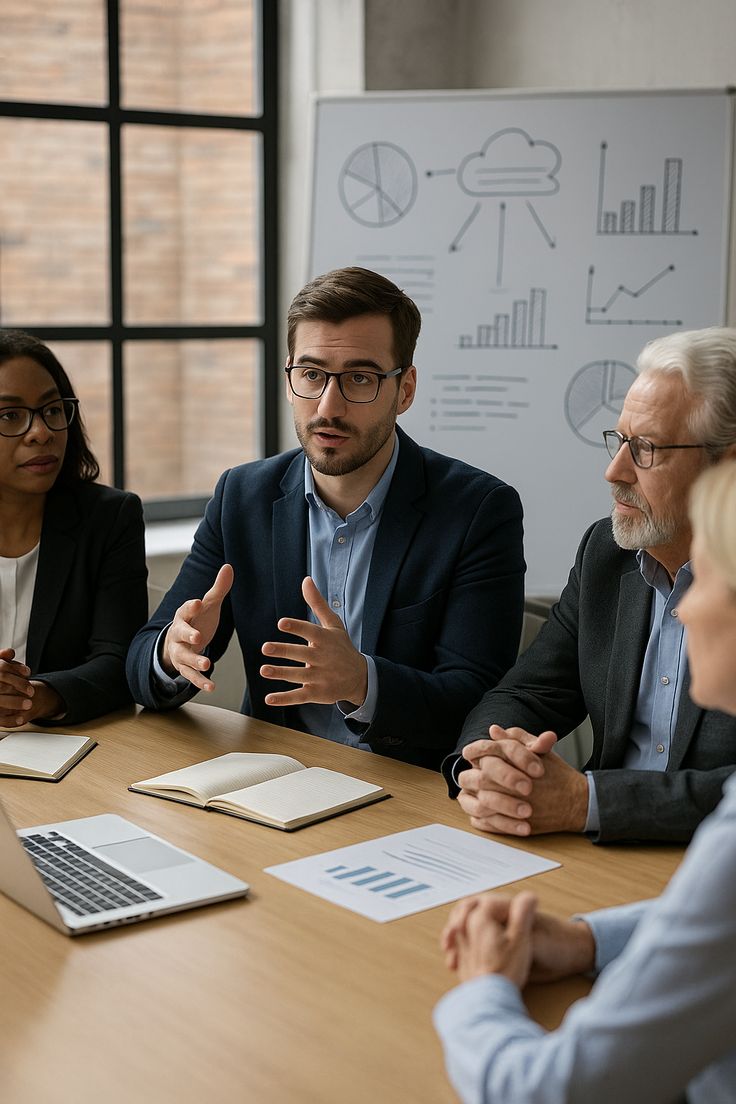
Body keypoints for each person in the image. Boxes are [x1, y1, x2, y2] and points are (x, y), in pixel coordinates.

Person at [126, 267, 525, 769]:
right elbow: (140, 661)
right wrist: (172, 651)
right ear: (290, 376)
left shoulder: (478, 510)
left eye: (360, 378)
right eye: (312, 375)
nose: (328, 407)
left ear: (405, 390)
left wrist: (362, 681)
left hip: (406, 789)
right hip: (276, 779)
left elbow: (479, 701)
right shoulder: (242, 496)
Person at [434, 456, 736, 1104]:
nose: (681, 612)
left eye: (706, 579)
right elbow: (529, 688)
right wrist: (589, 940)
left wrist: (483, 987)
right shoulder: (609, 553)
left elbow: (548, 1091)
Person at [446, 327, 736, 841]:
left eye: (645, 448)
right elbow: (529, 692)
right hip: (597, 856)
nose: (614, 470)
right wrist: (488, 766)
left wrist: (588, 802)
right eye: (620, 439)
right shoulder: (607, 553)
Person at [0, 330, 148, 726]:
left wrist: (36, 698)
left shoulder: (110, 517)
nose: (41, 432)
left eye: (52, 409)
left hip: (60, 749)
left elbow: (120, 662)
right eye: (10, 415)